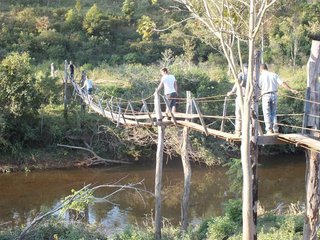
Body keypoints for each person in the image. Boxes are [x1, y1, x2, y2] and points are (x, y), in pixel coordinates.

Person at [259, 63, 298, 134]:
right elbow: (282, 83)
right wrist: (291, 90)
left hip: (265, 95)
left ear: (261, 69)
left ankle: (269, 130)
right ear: (266, 68)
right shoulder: (274, 75)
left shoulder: (261, 76)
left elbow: (258, 87)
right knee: (273, 112)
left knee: (266, 113)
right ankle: (275, 129)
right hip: (274, 94)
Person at [227, 63, 248, 136]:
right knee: (248, 115)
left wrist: (231, 92)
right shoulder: (253, 75)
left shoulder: (241, 74)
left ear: (243, 68)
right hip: (249, 98)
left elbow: (237, 84)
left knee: (238, 114)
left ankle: (238, 131)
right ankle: (247, 131)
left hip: (241, 97)